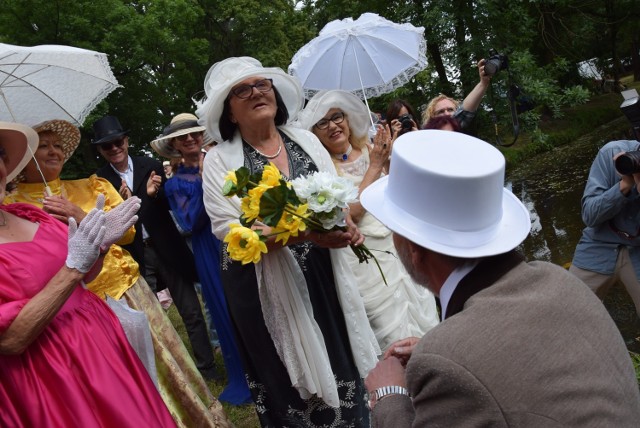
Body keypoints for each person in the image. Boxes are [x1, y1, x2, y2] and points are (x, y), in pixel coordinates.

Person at [362, 130, 640, 426]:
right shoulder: (559, 279)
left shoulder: (445, 362)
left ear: (414, 251)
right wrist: (448, 353)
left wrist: (389, 395)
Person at [5, 119, 231, 427]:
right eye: (43, 146)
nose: (53, 151)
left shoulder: (88, 186)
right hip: (64, 326)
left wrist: (82, 219)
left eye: (57, 145)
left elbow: (124, 234)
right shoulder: (17, 205)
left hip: (118, 291)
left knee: (157, 362)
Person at [198, 56, 380, 426]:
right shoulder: (219, 162)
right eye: (242, 90)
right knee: (289, 382)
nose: (256, 93)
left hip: (323, 276)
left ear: (276, 94)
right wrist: (310, 233)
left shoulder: (308, 141)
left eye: (262, 85)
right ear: (229, 112)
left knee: (339, 349)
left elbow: (337, 198)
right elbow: (232, 232)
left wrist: (346, 225)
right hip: (263, 289)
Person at [295, 89, 440, 351]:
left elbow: (402, 195)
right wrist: (375, 167)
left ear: (348, 119)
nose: (333, 126)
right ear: (314, 133)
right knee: (387, 329)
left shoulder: (373, 148)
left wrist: (390, 161)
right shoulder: (322, 172)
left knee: (425, 313)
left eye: (337, 117)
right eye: (323, 123)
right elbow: (348, 215)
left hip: (400, 246)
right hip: (365, 259)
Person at [91, 116, 219, 382]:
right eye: (107, 146)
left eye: (117, 142)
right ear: (100, 150)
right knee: (148, 318)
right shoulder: (99, 182)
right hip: (135, 256)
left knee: (191, 311)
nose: (114, 148)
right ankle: (167, 375)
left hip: (168, 248)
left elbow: (170, 204)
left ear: (126, 141)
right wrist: (131, 204)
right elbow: (107, 223)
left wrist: (144, 198)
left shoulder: (149, 165)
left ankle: (207, 369)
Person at [151, 112, 252, 405]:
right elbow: (190, 220)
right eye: (183, 137)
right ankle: (243, 373)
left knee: (250, 298)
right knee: (225, 306)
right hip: (209, 249)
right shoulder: (175, 185)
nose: (190, 138)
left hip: (239, 236)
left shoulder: (221, 163)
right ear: (176, 146)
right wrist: (206, 179)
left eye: (195, 133)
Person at [570, 139, 640, 318]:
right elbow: (589, 216)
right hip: (599, 242)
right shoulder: (613, 153)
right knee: (568, 310)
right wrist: (624, 185)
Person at [421, 58, 492, 129]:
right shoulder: (425, 137)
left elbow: (465, 111)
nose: (447, 114)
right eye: (440, 112)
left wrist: (483, 82)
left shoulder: (457, 125)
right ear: (432, 118)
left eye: (450, 110)